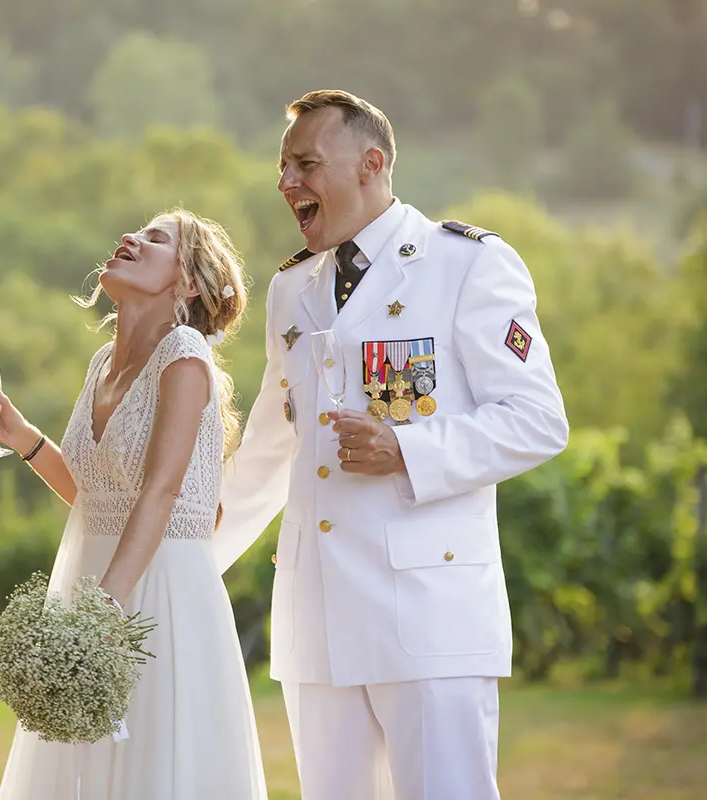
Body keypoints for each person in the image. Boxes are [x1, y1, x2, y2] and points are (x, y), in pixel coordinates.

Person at [211, 89, 569, 799]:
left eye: (305, 164)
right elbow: (268, 454)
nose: (286, 182)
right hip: (317, 618)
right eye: (282, 166)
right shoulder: (291, 288)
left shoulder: (466, 264)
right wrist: (185, 563)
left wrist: (408, 450)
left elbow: (537, 419)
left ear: (370, 164)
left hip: (430, 615)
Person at [0, 208, 268, 800]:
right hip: (96, 582)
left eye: (156, 239)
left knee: (153, 768)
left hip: (159, 593)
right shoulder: (101, 364)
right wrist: (20, 435)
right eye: (136, 232)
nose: (130, 238)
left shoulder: (184, 353)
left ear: (189, 283)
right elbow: (95, 497)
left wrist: (103, 609)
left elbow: (160, 492)